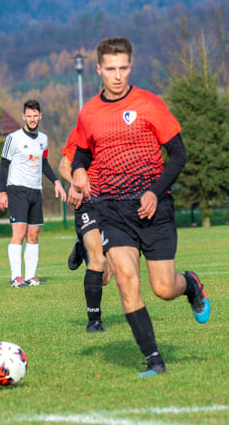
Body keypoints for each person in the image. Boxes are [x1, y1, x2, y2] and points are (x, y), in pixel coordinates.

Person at [70, 36, 210, 376]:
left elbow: (178, 154)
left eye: (124, 68)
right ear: (99, 69)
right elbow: (82, 152)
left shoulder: (149, 104)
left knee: (163, 289)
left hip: (154, 209)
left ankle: (190, 285)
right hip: (113, 211)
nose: (117, 76)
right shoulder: (89, 112)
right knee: (125, 281)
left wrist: (155, 191)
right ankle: (154, 360)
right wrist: (78, 172)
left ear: (131, 67)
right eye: (111, 69)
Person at [0, 99, 67, 287]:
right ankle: (15, 278)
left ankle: (30, 277)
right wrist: (2, 192)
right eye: (29, 116)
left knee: (34, 234)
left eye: (35, 116)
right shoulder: (13, 138)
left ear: (40, 116)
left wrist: (57, 182)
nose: (32, 119)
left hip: (36, 190)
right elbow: (4, 165)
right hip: (17, 189)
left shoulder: (43, 139)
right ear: (23, 116)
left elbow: (44, 164)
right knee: (19, 233)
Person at [59, 125, 112, 333]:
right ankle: (94, 321)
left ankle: (81, 248)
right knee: (97, 260)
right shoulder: (85, 130)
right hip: (88, 202)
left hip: (114, 205)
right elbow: (65, 165)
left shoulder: (123, 131)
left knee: (105, 276)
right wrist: (74, 183)